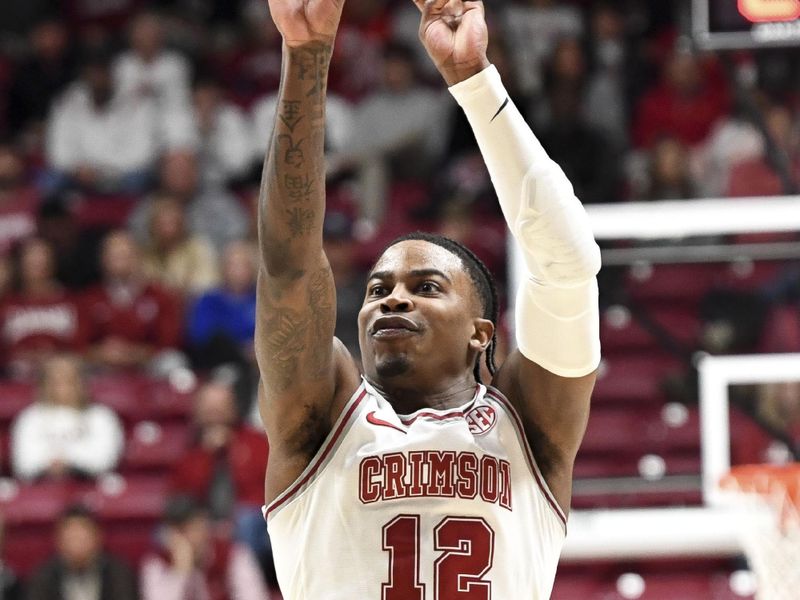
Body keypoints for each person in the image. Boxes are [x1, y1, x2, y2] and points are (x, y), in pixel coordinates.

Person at [256, 1, 600, 599]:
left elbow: (566, 265)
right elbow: (289, 267)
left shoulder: (530, 423)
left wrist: (475, 81)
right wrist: (305, 54)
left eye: (426, 287)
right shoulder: (323, 413)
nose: (392, 300)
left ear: (481, 333)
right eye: (378, 289)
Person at [169, 382, 271, 577]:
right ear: (197, 411)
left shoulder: (256, 442)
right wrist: (207, 456)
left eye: (220, 405)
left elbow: (263, 493)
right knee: (166, 533)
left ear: (233, 407)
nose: (214, 412)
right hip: (203, 521)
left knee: (246, 522)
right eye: (208, 406)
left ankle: (247, 585)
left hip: (250, 521)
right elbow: (182, 499)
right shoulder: (189, 453)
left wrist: (231, 451)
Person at [83, 230, 183, 373]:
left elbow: (169, 343)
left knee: (173, 362)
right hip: (101, 366)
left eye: (125, 255)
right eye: (114, 256)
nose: (120, 261)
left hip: (148, 365)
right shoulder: (89, 298)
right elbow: (79, 344)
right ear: (103, 259)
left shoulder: (160, 296)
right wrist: (100, 353)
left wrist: (132, 353)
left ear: (138, 257)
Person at [10, 354, 124, 480]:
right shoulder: (30, 417)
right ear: (44, 385)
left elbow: (104, 460)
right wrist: (51, 464)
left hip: (89, 486)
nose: (62, 387)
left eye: (69, 380)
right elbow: (24, 464)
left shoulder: (101, 416)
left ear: (83, 383)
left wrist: (69, 463)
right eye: (55, 381)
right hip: (41, 487)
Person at [140, 496, 270, 600]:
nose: (194, 536)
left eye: (197, 527)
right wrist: (181, 569)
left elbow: (254, 596)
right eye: (183, 531)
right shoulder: (156, 563)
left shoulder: (233, 554)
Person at [0, 237, 85, 379]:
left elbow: (82, 348)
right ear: (21, 263)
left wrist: (55, 356)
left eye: (42, 257)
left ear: (53, 262)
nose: (37, 263)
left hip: (63, 379)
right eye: (32, 257)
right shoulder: (7, 303)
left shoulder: (72, 301)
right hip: (13, 379)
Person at [25, 504, 138, 600]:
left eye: (82, 535)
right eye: (71, 536)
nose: (76, 542)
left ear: (98, 537)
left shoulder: (118, 574)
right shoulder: (42, 577)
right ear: (58, 540)